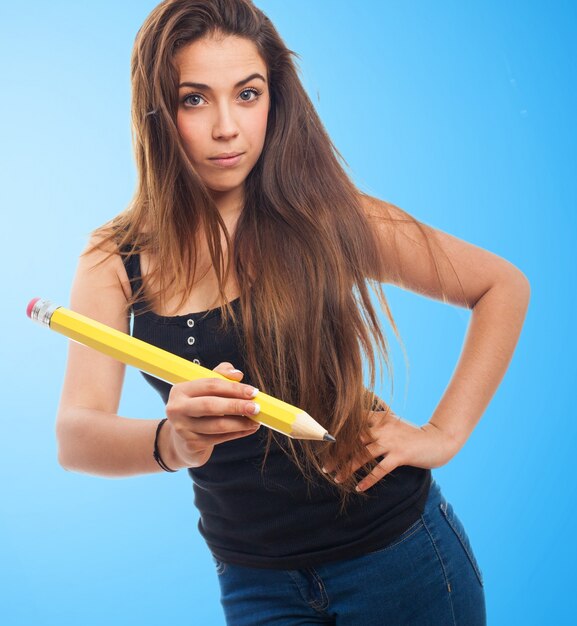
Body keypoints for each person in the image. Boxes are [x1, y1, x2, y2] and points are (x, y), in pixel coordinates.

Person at [55, 0, 530, 624]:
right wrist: (174, 440)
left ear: (273, 99)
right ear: (156, 111)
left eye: (247, 94)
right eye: (194, 99)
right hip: (255, 582)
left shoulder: (329, 218)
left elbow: (502, 286)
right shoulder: (115, 258)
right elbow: (76, 436)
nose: (228, 126)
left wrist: (442, 435)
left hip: (399, 558)